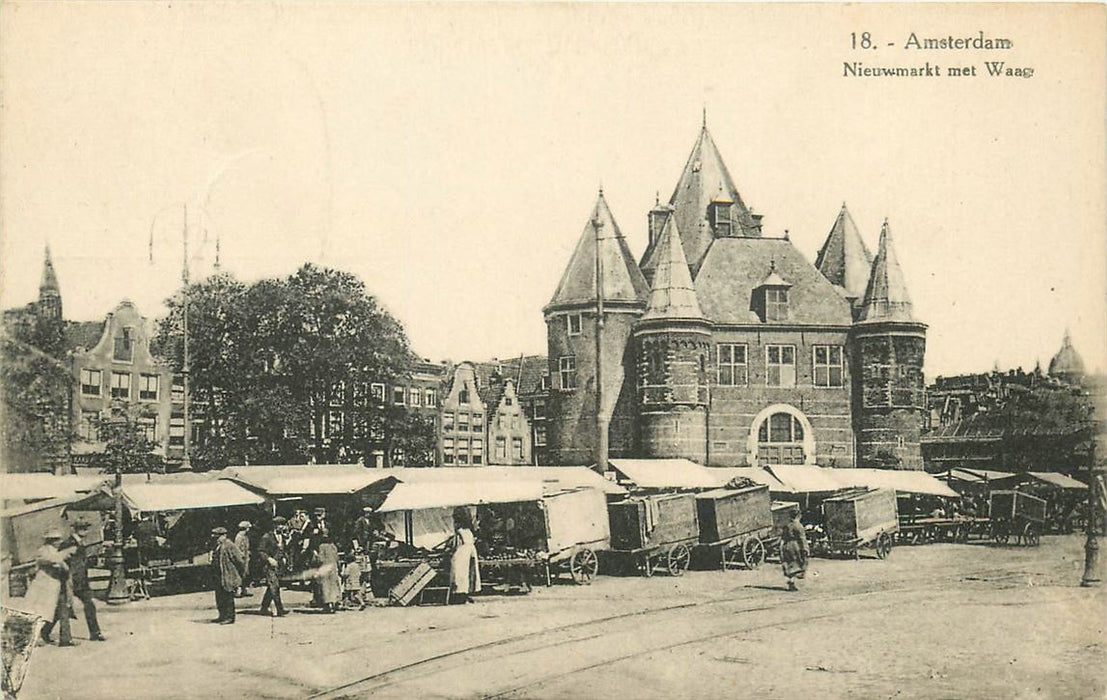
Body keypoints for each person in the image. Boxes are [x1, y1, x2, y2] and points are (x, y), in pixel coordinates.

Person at [29, 529, 75, 646]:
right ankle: (35, 637)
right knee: (41, 612)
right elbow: (51, 559)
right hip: (42, 586)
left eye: (59, 539)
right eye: (55, 539)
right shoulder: (43, 551)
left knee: (53, 612)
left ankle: (46, 634)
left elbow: (63, 565)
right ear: (49, 541)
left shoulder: (56, 551)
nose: (58, 542)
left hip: (55, 585)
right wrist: (66, 553)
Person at [64, 521, 105, 641]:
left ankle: (95, 633)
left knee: (89, 605)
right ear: (75, 530)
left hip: (81, 581)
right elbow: (65, 562)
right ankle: (45, 630)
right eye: (82, 529)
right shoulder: (69, 543)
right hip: (71, 580)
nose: (85, 531)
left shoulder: (80, 543)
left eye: (86, 529)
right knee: (64, 608)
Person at [210, 527, 246, 624]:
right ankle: (222, 616)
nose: (216, 539)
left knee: (228, 596)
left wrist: (239, 573)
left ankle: (230, 617)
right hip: (218, 575)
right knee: (220, 597)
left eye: (218, 536)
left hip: (227, 574)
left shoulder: (229, 545)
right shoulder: (218, 545)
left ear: (224, 535)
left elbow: (239, 559)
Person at [449, 507, 481, 604]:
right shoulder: (469, 531)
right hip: (468, 553)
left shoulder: (459, 531)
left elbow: (455, 544)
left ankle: (459, 596)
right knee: (466, 575)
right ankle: (465, 594)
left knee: (458, 575)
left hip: (460, 554)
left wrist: (449, 550)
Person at [257, 518, 287, 617]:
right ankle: (280, 609)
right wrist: (269, 559)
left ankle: (264, 607)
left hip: (279, 566)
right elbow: (261, 551)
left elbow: (283, 549)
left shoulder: (283, 536)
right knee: (275, 586)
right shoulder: (267, 537)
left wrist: (284, 558)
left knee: (272, 587)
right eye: (279, 525)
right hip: (268, 566)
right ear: (274, 525)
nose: (281, 527)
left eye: (283, 525)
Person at [780, 511, 810, 592]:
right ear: (798, 516)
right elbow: (802, 538)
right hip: (795, 545)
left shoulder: (787, 525)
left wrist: (781, 548)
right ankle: (795, 580)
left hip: (786, 545)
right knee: (797, 563)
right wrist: (805, 548)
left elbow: (783, 537)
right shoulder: (798, 526)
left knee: (790, 564)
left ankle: (791, 583)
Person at [312, 534, 342, 613]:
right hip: (334, 567)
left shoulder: (322, 546)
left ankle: (328, 605)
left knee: (325, 586)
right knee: (334, 586)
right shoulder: (333, 546)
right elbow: (337, 558)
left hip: (325, 568)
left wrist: (315, 556)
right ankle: (335, 603)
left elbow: (321, 559)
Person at [234, 521, 252, 597]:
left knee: (245, 574)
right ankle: (238, 590)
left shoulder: (245, 537)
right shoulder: (239, 537)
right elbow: (237, 549)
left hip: (246, 558)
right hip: (241, 558)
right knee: (239, 574)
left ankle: (244, 589)